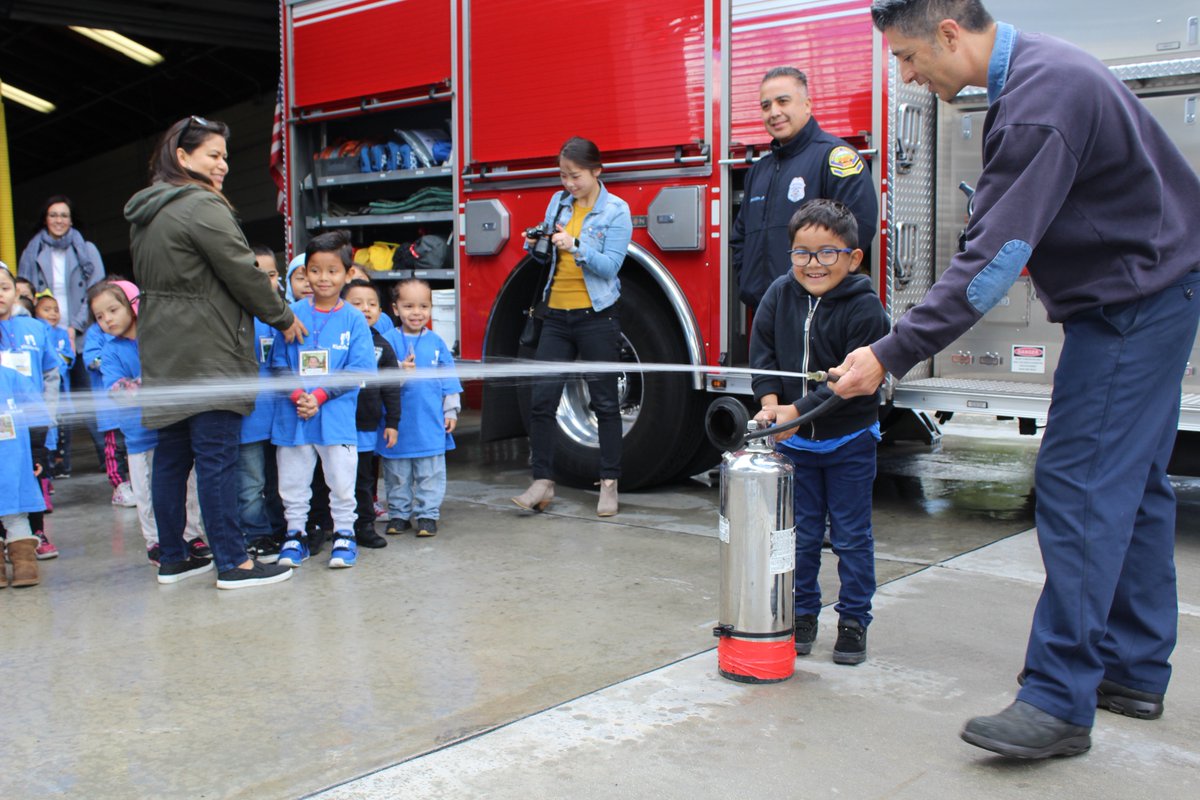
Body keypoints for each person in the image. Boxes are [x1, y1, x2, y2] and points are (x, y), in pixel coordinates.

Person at [831, 0, 1200, 759]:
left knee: (1080, 484)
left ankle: (1058, 701)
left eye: (907, 57)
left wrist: (888, 354)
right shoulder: (1039, 75)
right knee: (1136, 485)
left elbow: (993, 264)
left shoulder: (1038, 101)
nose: (906, 75)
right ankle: (1133, 668)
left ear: (949, 34)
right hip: (1154, 292)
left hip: (1134, 306)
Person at [124, 115, 305, 590]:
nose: (223, 164)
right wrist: (283, 316)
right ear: (183, 157)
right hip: (208, 350)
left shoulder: (148, 212)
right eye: (213, 155)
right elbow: (244, 272)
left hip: (164, 351)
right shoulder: (200, 204)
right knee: (216, 458)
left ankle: (173, 557)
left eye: (225, 156)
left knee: (172, 457)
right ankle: (233, 562)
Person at [751, 199, 890, 666]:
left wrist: (794, 410)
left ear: (854, 258)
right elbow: (763, 353)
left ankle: (853, 621)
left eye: (827, 253)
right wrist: (771, 404)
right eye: (802, 253)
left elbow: (846, 388)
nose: (813, 264)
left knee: (851, 535)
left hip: (849, 442)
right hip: (798, 447)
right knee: (802, 535)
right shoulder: (778, 294)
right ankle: (804, 613)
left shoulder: (866, 311)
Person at [511, 136, 632, 516]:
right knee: (542, 401)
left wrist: (575, 244)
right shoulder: (558, 202)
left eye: (575, 176)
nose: (568, 184)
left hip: (597, 316)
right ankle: (542, 481)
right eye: (563, 175)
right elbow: (548, 255)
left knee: (606, 404)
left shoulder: (617, 210)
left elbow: (611, 266)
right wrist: (536, 242)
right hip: (556, 315)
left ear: (597, 171)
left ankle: (609, 483)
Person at [269, 231, 375, 568]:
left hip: (336, 419)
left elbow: (361, 369)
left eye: (332, 270)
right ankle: (295, 534)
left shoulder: (354, 319)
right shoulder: (291, 315)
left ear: (347, 274)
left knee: (342, 483)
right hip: (295, 417)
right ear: (303, 274)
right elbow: (279, 365)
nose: (323, 278)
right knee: (293, 484)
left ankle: (345, 533)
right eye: (314, 270)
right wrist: (300, 395)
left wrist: (319, 395)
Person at [731, 67, 878, 310]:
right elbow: (740, 239)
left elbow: (858, 228)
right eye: (766, 106)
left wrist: (818, 287)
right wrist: (750, 282)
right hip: (766, 310)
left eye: (783, 101)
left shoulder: (835, 157)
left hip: (821, 310)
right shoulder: (759, 171)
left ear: (807, 105)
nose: (774, 112)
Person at [90, 280, 210, 567]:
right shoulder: (111, 352)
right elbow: (117, 391)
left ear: (134, 304)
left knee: (188, 486)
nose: (107, 319)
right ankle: (155, 541)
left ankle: (191, 534)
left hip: (175, 429)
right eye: (99, 316)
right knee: (146, 492)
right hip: (139, 437)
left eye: (112, 310)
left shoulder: (160, 337)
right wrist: (153, 383)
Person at [379, 279, 460, 537]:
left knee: (430, 472)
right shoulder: (387, 341)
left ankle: (427, 515)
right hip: (398, 424)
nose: (417, 312)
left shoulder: (437, 342)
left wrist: (450, 410)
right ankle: (399, 514)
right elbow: (379, 380)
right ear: (395, 309)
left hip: (429, 421)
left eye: (424, 306)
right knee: (397, 473)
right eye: (409, 306)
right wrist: (400, 370)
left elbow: (449, 378)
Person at [238, 246, 288, 563]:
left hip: (281, 419)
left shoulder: (284, 315)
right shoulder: (237, 316)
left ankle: (280, 529)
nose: (265, 280)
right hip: (249, 420)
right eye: (257, 274)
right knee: (251, 483)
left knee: (278, 480)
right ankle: (256, 534)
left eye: (270, 274)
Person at [343, 278, 401, 549]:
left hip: (366, 426)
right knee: (332, 480)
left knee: (364, 481)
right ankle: (330, 526)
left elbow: (391, 388)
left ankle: (363, 526)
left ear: (381, 311)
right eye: (357, 303)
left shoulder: (383, 347)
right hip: (336, 425)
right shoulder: (339, 340)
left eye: (372, 304)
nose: (365, 308)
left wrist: (392, 422)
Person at [0, 359, 50, 588]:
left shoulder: (11, 377)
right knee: (16, 516)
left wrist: (37, 453)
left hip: (12, 462)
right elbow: (37, 414)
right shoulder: (12, 377)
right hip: (13, 464)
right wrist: (38, 452)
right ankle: (24, 567)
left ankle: (21, 567)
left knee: (16, 514)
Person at [33, 292, 75, 481]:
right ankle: (46, 473)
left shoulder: (62, 333)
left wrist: (60, 361)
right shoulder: (37, 330)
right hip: (41, 395)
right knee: (44, 436)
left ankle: (61, 466)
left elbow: (69, 358)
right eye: (46, 309)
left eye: (56, 310)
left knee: (61, 432)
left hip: (61, 392)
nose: (53, 314)